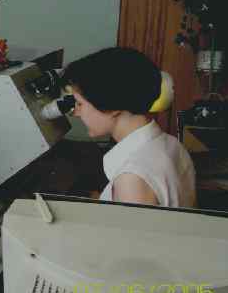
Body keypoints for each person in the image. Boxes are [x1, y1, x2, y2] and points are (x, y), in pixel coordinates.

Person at [62, 47, 196, 208]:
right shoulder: (171, 144)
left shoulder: (132, 178)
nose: (76, 112)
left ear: (112, 106)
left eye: (80, 104)